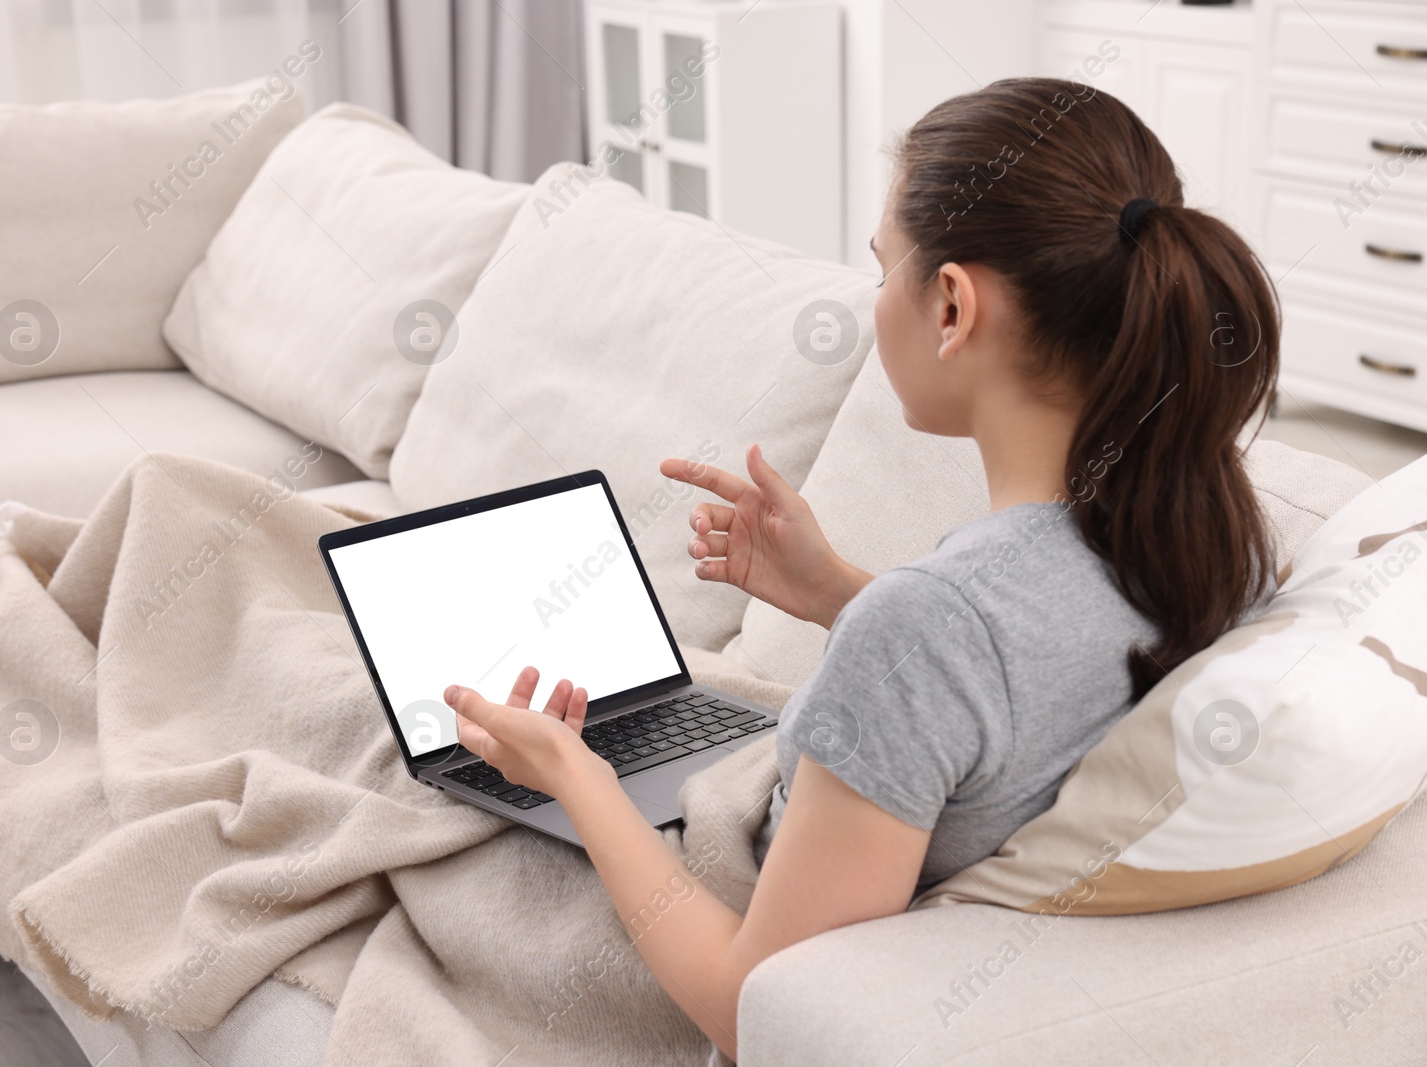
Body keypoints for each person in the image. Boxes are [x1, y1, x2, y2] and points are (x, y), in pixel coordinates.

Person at [441, 77, 1279, 1060]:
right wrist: (838, 591)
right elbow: (1010, 691)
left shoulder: (933, 626)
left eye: (884, 268)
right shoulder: (1206, 531)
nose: (874, 298)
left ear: (953, 305)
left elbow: (758, 1008)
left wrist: (577, 781)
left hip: (703, 940)